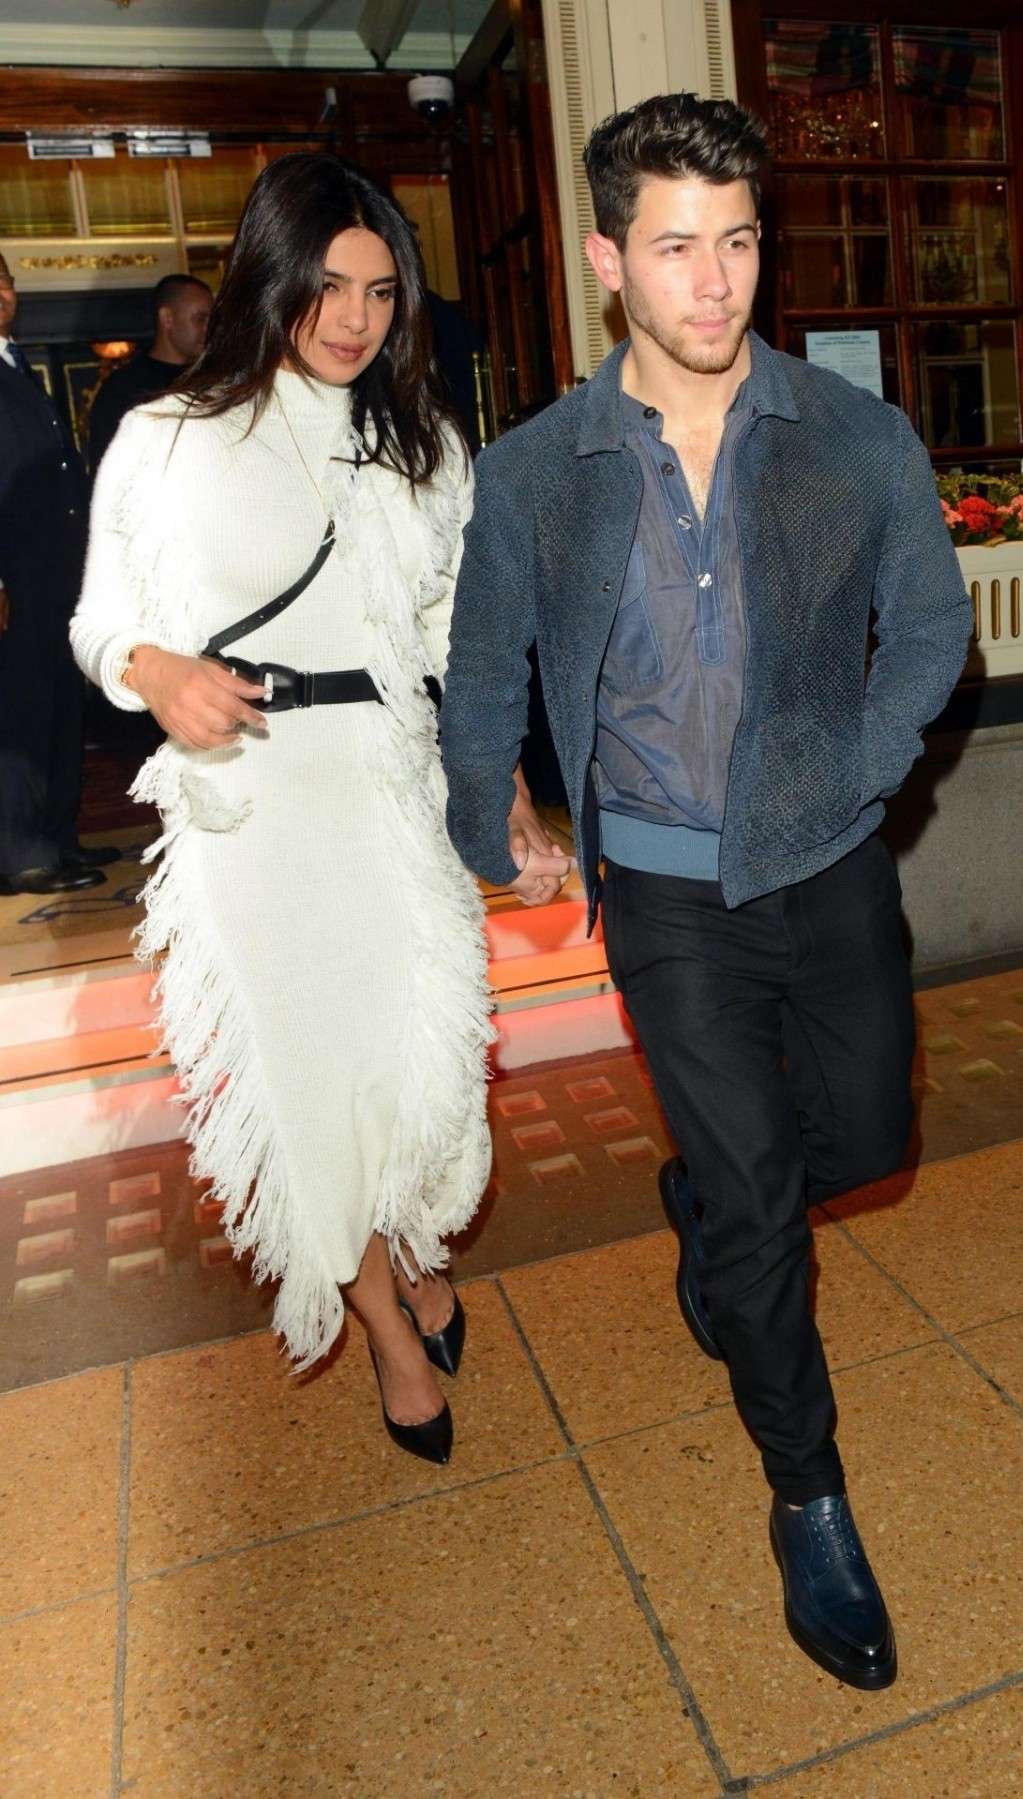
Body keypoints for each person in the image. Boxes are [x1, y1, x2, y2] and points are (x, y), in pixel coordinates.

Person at [439, 95, 973, 1682]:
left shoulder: (850, 431)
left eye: (738, 240)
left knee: (868, 1138)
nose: (717, 280)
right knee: (759, 1210)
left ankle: (714, 1215)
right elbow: (479, 674)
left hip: (828, 855)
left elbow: (934, 629)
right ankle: (807, 1494)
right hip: (667, 892)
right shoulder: (541, 470)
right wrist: (501, 808)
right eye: (678, 247)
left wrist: (861, 769)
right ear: (612, 260)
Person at [72, 153, 497, 1464]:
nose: (355, 316)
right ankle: (383, 1326)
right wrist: (155, 671)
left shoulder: (423, 446)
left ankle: (414, 1248)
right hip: (249, 811)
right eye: (326, 284)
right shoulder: (167, 437)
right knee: (310, 1087)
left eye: (379, 289)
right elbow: (101, 618)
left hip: (384, 787)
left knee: (419, 1079)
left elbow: (454, 635)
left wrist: (508, 792)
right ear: (270, 275)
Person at [0, 249, 117, 895]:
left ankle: (55, 838)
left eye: (4, 279)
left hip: (53, 575)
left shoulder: (15, 365)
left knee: (55, 706)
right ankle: (20, 854)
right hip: (11, 580)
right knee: (16, 715)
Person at [86, 273, 213, 473]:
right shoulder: (122, 389)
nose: (209, 329)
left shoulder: (213, 379)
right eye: (201, 319)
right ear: (167, 318)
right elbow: (109, 471)